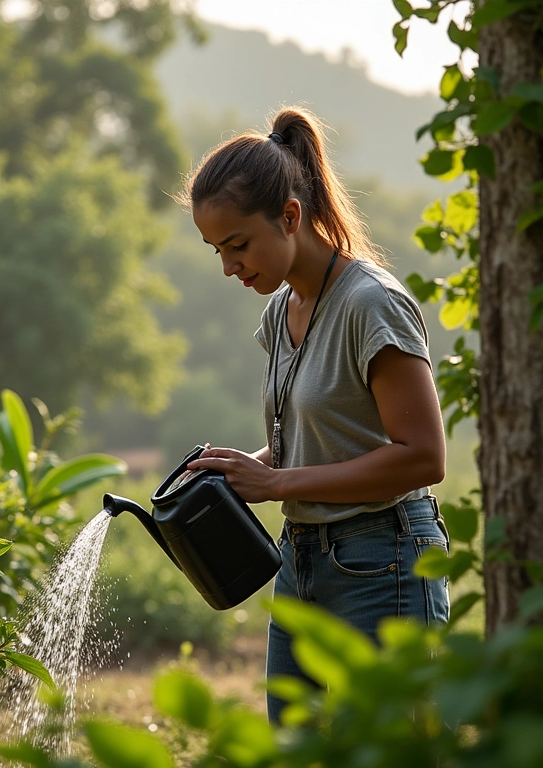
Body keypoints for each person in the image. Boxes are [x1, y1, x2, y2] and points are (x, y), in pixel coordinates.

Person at [179, 106, 450, 723]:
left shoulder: (371, 304)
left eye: (238, 245)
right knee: (291, 747)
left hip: (383, 559)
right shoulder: (281, 312)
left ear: (290, 217)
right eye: (217, 250)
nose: (228, 267)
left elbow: (423, 458)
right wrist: (241, 470)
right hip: (300, 560)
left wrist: (276, 483)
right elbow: (312, 439)